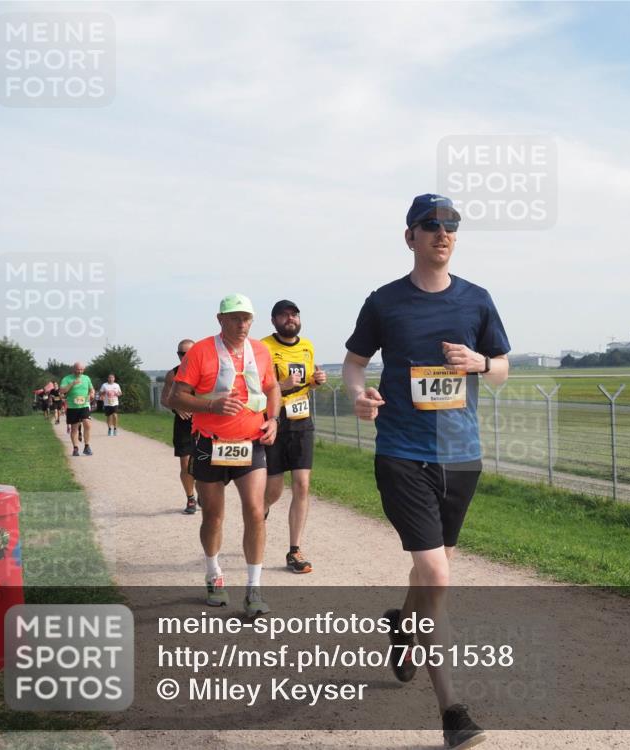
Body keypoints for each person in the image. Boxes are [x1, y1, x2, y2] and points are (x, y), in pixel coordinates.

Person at [343, 194, 510, 750]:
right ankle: (453, 712)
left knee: (427, 574)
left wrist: (481, 362)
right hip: (402, 453)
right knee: (437, 576)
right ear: (410, 236)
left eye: (452, 226)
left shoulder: (477, 300)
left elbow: (502, 369)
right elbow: (354, 363)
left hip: (461, 457)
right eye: (431, 225)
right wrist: (358, 398)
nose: (443, 233)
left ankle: (401, 626)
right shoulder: (384, 302)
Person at [169, 294, 280, 618]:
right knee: (213, 516)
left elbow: (272, 388)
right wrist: (211, 405)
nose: (242, 323)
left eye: (247, 318)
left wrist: (273, 420)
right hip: (210, 443)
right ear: (220, 319)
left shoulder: (260, 351)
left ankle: (253, 588)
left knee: (256, 511)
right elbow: (178, 396)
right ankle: (213, 572)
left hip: (251, 442)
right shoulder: (202, 351)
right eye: (235, 318)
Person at [261, 300, 327, 573]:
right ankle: (259, 514)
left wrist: (317, 379)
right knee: (274, 490)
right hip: (273, 420)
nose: (291, 319)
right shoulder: (263, 347)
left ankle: (294, 550)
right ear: (274, 320)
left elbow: (307, 380)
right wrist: (279, 386)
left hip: (301, 420)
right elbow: (255, 387)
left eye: (295, 314)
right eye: (285, 315)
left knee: (302, 484)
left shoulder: (307, 346)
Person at [161, 339, 200, 514]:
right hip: (183, 424)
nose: (184, 357)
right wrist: (176, 407)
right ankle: (190, 498)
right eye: (181, 353)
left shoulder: (206, 371)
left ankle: (205, 494)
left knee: (204, 463)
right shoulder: (173, 374)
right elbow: (164, 399)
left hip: (204, 423)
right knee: (186, 464)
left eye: (188, 353)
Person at [59, 363, 95, 457]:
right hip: (72, 406)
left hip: (84, 405)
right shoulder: (67, 379)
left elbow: (92, 389)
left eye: (82, 369)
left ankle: (87, 446)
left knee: (87, 424)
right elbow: (62, 391)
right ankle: (75, 448)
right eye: (78, 369)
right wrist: (72, 384)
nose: (80, 371)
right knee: (74, 428)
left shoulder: (86, 378)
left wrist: (92, 394)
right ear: (74, 369)